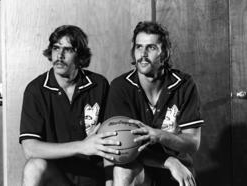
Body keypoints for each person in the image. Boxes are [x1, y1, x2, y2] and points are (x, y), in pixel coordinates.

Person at [104, 21, 204, 186]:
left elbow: (193, 143)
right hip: (140, 165)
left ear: (165, 52)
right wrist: (168, 161)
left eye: (151, 47)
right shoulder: (121, 86)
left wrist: (158, 135)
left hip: (177, 168)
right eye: (138, 47)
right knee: (122, 170)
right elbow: (122, 147)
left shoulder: (184, 84)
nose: (142, 54)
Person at [19, 25, 120, 186]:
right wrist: (81, 146)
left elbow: (110, 140)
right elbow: (30, 149)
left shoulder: (99, 85)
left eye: (68, 49)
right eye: (56, 48)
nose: (59, 55)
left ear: (79, 55)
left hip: (93, 178)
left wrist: (110, 182)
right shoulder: (36, 90)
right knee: (33, 167)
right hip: (58, 179)